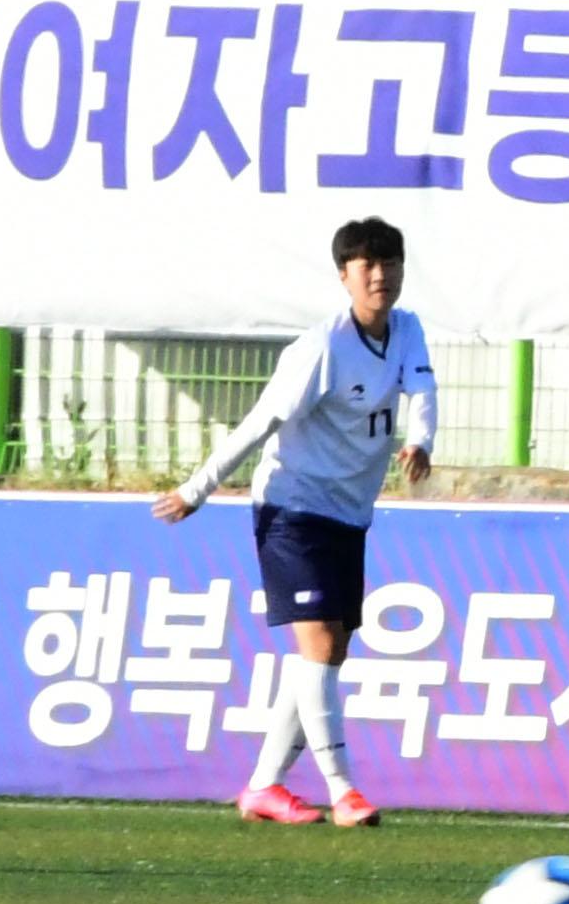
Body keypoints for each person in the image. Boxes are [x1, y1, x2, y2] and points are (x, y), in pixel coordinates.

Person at [152, 215, 437, 829]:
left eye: (389, 263)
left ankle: (263, 787)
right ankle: (343, 790)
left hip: (349, 513)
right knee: (318, 643)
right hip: (292, 509)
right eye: (366, 266)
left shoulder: (408, 331)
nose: (380, 275)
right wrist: (198, 489)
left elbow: (423, 391)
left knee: (328, 651)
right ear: (344, 276)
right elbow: (260, 423)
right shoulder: (320, 349)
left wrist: (421, 441)